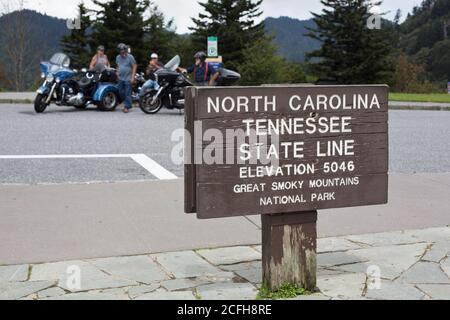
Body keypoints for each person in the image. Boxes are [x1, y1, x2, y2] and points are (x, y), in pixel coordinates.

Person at [116, 43, 137, 113]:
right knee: (120, 92)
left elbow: (134, 66)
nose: (122, 52)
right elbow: (118, 66)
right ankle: (128, 104)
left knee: (127, 93)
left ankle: (126, 107)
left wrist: (132, 77)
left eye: (123, 50)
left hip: (128, 77)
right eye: (120, 50)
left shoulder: (130, 57)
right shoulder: (118, 57)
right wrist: (117, 72)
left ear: (125, 50)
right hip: (120, 78)